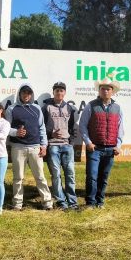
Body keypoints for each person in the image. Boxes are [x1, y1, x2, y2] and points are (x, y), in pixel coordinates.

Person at [5, 82, 53, 210]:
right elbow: (5, 128)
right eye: (24, 92)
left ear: (31, 94)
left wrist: (44, 145)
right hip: (18, 147)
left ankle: (47, 203)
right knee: (18, 177)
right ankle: (17, 204)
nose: (26, 95)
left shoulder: (37, 108)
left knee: (40, 176)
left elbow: (42, 128)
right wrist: (16, 132)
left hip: (35, 148)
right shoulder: (11, 109)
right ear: (19, 94)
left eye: (28, 92)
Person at [79, 76, 124, 209]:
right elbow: (82, 126)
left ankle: (100, 201)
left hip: (110, 149)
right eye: (103, 89)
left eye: (108, 89)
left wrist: (118, 145)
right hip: (95, 148)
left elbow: (120, 128)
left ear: (112, 91)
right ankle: (90, 202)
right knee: (92, 176)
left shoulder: (117, 108)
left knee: (104, 177)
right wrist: (88, 142)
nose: (105, 91)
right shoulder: (90, 106)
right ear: (99, 90)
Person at [42, 81, 79, 211]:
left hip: (66, 145)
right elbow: (41, 127)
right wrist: (50, 133)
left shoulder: (70, 108)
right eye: (57, 90)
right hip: (53, 146)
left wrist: (71, 143)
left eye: (61, 90)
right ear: (53, 92)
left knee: (70, 174)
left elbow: (74, 127)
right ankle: (61, 202)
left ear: (65, 93)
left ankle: (73, 202)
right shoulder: (46, 107)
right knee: (56, 175)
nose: (59, 92)